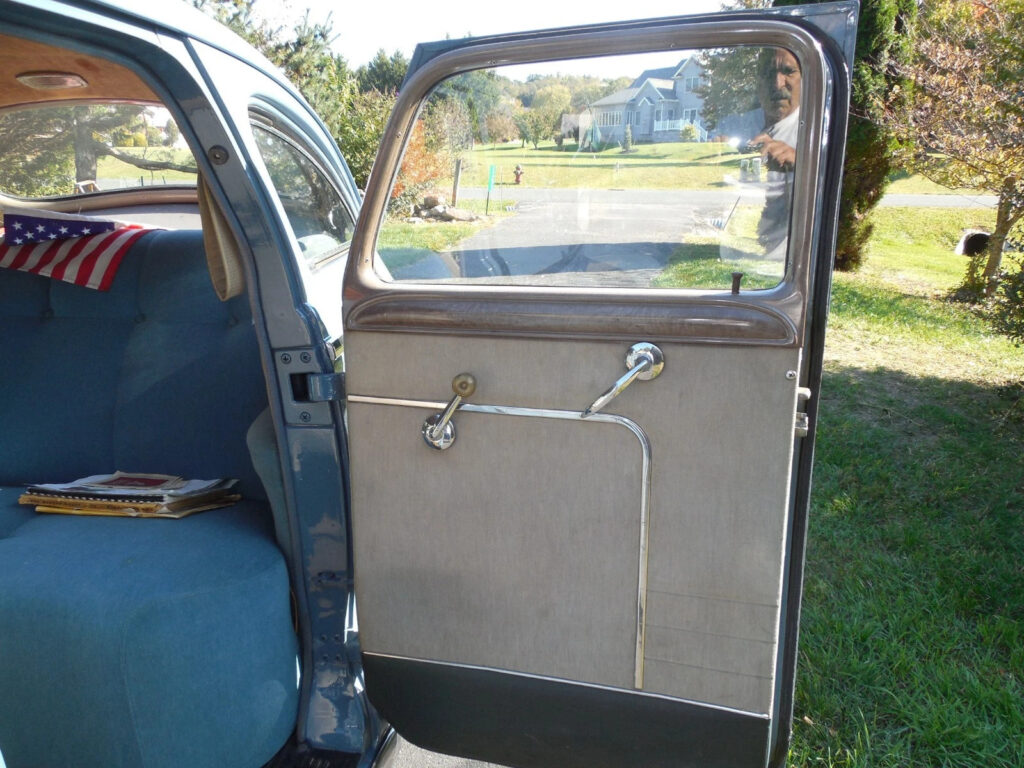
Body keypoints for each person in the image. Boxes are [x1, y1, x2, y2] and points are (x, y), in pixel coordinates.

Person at [747, 48, 801, 258]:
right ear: (758, 83)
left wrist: (799, 161)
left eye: (788, 72)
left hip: (790, 261)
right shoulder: (740, 123)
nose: (778, 84)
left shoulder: (817, 131)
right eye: (768, 74)